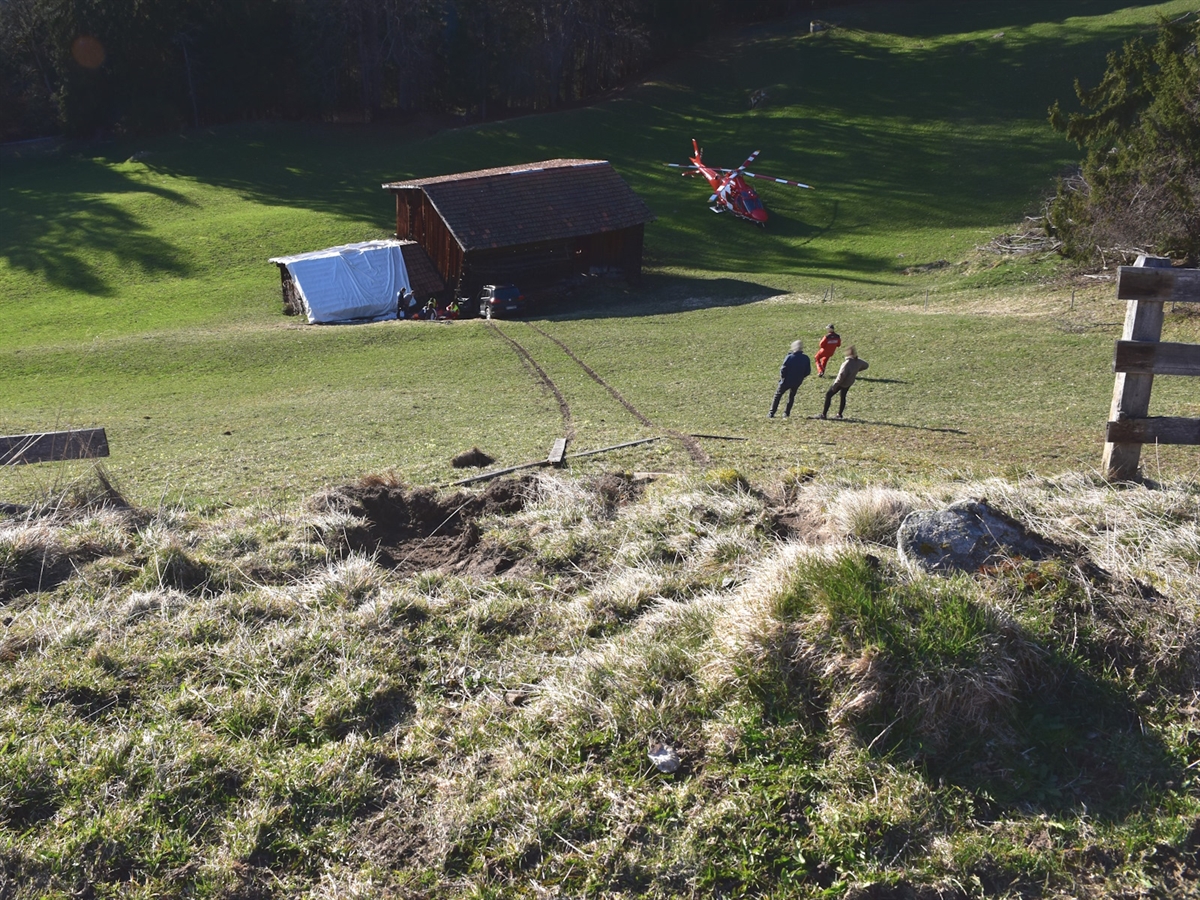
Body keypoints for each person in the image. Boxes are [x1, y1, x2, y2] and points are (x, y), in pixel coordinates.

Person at [817, 345, 868, 419]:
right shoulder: (858, 362)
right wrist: (857, 369)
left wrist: (835, 386)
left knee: (828, 395)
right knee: (843, 396)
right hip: (849, 382)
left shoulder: (846, 364)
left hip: (841, 383)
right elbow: (866, 365)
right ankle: (839, 414)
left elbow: (840, 376)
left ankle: (824, 414)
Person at [769, 339, 811, 418]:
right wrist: (801, 377)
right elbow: (808, 371)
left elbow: (783, 369)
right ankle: (786, 413)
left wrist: (783, 378)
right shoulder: (806, 358)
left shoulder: (789, 357)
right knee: (791, 396)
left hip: (786, 381)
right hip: (797, 381)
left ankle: (771, 413)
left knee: (778, 395)